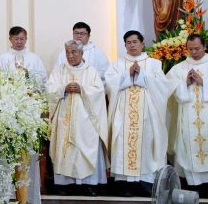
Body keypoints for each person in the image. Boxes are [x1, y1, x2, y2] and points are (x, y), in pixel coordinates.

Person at [105, 30, 171, 195]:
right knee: (122, 141)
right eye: (128, 42)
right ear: (125, 45)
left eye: (135, 42)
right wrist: (127, 74)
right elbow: (109, 84)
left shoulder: (154, 64)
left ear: (142, 44)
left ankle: (145, 182)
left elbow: (163, 86)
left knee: (146, 141)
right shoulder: (117, 64)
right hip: (123, 113)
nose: (132, 45)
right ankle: (125, 183)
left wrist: (142, 75)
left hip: (147, 113)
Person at [167, 34, 208, 198]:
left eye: (197, 48)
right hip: (187, 117)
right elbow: (167, 88)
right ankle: (193, 187)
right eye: (190, 49)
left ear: (204, 47)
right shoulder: (180, 68)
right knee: (189, 148)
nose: (194, 52)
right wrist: (185, 83)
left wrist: (204, 82)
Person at [45, 40, 108, 194]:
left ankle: (88, 184)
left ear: (81, 53)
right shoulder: (60, 70)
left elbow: (99, 91)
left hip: (85, 120)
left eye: (74, 52)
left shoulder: (91, 71)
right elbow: (49, 89)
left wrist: (82, 89)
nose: (70, 55)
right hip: (64, 118)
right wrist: (63, 89)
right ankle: (65, 185)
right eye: (68, 52)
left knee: (84, 148)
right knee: (65, 149)